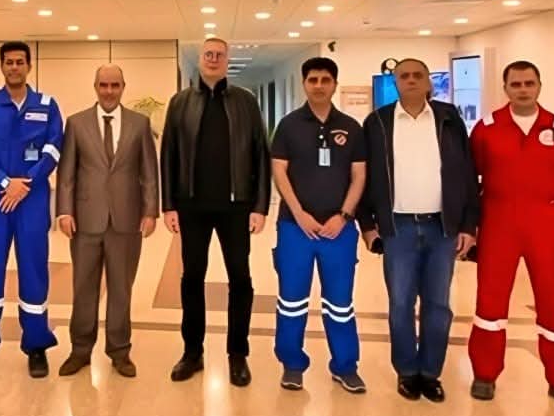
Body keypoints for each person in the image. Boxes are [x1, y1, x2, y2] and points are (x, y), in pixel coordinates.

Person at [467, 60, 554, 411]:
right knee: (490, 302)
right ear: (505, 88)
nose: (523, 90)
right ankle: (484, 374)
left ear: (539, 86)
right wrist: (470, 229)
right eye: (516, 84)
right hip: (498, 224)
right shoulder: (486, 129)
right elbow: (470, 183)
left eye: (529, 83)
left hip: (548, 227)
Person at [359, 58, 479, 403]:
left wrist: (468, 224)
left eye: (417, 75)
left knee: (438, 304)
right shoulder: (377, 122)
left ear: (428, 82)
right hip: (398, 227)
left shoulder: (449, 118)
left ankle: (430, 373)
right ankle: (407, 371)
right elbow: (364, 176)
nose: (411, 80)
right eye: (404, 76)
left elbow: (467, 174)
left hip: (442, 226)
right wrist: (367, 225)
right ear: (395, 83)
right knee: (400, 303)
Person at [161, 37, 270, 387]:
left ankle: (238, 354)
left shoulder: (245, 102)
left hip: (236, 208)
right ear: (200, 58)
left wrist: (260, 206)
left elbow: (261, 154)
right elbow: (168, 155)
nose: (213, 58)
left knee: (240, 279)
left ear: (227, 60)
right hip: (191, 206)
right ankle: (192, 353)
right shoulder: (180, 102)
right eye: (208, 53)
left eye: (219, 54)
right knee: (192, 279)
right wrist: (168, 204)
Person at [0, 41, 63, 380]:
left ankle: (36, 346)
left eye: (20, 62)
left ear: (29, 66)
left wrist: (26, 182)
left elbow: (54, 149)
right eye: (9, 62)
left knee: (34, 270)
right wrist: (6, 181)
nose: (14, 67)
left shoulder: (47, 105)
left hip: (31, 200)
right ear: (1, 66)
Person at [55, 65, 160, 378]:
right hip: (85, 220)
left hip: (126, 221)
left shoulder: (140, 124)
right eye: (104, 85)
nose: (109, 91)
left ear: (123, 87)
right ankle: (80, 350)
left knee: (121, 290)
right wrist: (64, 211)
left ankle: (120, 351)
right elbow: (66, 173)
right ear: (95, 87)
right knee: (83, 288)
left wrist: (150, 211)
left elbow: (149, 172)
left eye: (115, 85)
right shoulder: (76, 123)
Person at [270, 57, 367, 392]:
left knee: (340, 303)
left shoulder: (351, 128)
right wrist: (299, 214)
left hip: (338, 231)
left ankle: (345, 365)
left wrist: (344, 215)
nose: (319, 85)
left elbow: (359, 175)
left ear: (335, 84)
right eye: (313, 80)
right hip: (295, 228)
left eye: (326, 80)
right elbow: (279, 170)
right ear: (304, 84)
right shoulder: (288, 125)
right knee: (291, 300)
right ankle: (292, 364)